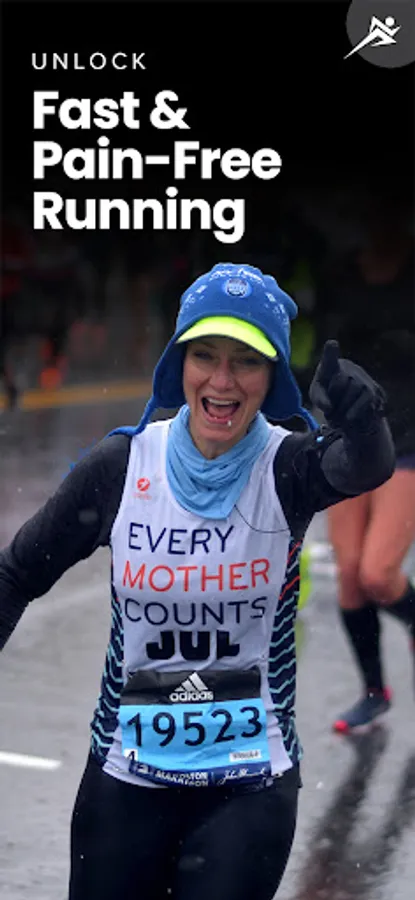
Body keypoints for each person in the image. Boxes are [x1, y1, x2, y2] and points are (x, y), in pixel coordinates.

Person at [0, 263, 395, 900]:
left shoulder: (287, 467)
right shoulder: (123, 465)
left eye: (246, 361)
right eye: (205, 355)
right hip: (126, 775)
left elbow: (363, 468)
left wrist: (364, 421)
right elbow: (17, 572)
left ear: (271, 376)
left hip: (249, 782)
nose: (221, 380)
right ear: (178, 363)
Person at [316, 197, 415, 733]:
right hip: (351, 434)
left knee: (379, 573)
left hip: (410, 440)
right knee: (350, 575)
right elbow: (322, 350)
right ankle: (374, 692)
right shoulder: (341, 273)